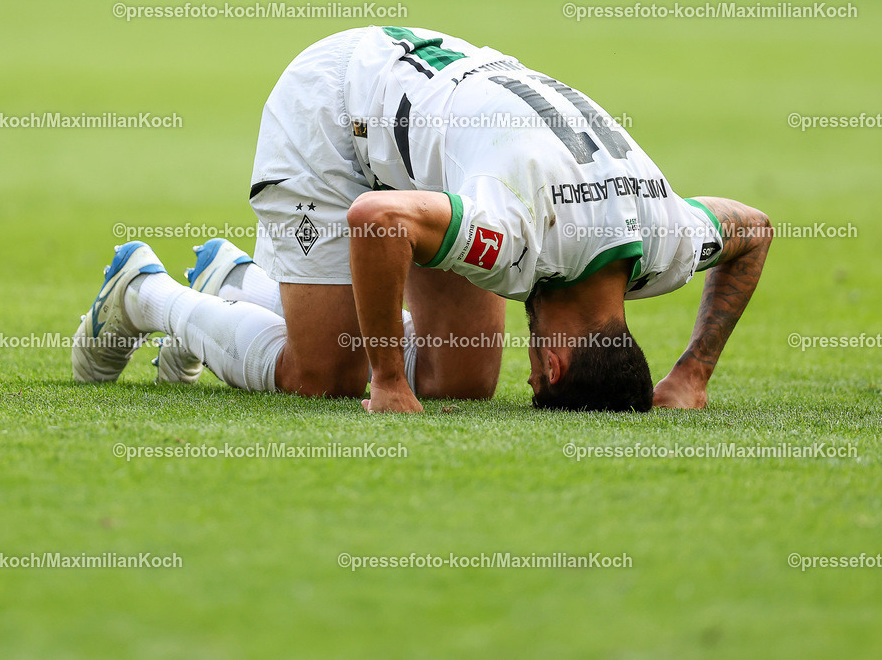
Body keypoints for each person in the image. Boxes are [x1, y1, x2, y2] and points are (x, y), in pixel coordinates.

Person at [71, 26, 772, 413]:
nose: (529, 374)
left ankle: (238, 281)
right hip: (333, 107)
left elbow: (754, 229)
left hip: (434, 128)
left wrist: (692, 373)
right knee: (326, 376)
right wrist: (386, 380)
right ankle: (144, 293)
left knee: (460, 380)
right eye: (539, 378)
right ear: (555, 361)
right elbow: (378, 220)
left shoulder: (670, 240)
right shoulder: (517, 237)